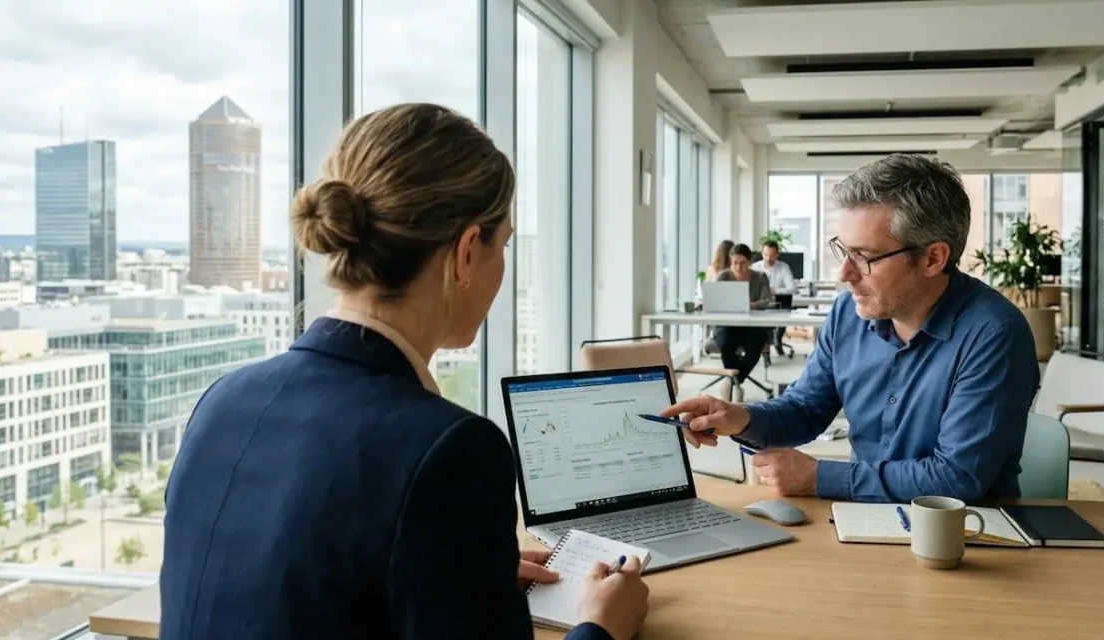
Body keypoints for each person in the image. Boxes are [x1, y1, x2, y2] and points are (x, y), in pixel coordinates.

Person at [160, 103, 648, 639]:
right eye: (502, 245)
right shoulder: (450, 449)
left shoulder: (222, 400)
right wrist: (601, 627)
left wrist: (457, 573)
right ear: (466, 252)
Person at [664, 155, 1039, 504]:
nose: (844, 274)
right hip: (860, 521)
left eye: (864, 257)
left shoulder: (994, 333)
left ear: (932, 258)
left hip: (969, 536)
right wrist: (738, 417)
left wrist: (818, 478)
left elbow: (957, 477)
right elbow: (806, 408)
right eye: (844, 252)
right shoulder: (849, 313)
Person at [713, 243, 774, 383]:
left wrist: (748, 305)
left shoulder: (760, 277)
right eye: (735, 263)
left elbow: (767, 301)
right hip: (727, 325)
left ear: (749, 262)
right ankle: (735, 381)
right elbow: (715, 301)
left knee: (755, 347)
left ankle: (735, 380)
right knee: (725, 344)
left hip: (752, 325)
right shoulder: (723, 277)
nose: (738, 267)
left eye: (742, 263)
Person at [751, 239, 798, 354]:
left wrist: (774, 290)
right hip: (761, 303)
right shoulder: (755, 267)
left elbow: (792, 288)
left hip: (779, 303)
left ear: (777, 255)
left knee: (783, 308)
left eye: (772, 255)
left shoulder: (783, 267)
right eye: (766, 254)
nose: (768, 258)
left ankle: (777, 340)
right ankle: (766, 345)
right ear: (762, 253)